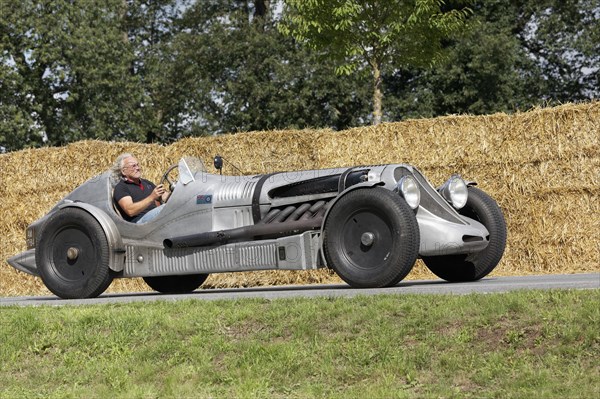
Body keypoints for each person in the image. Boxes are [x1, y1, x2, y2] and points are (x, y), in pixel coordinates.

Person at [111, 153, 168, 223]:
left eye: (137, 165)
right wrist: (152, 197)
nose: (137, 168)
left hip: (154, 217)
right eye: (133, 166)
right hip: (139, 222)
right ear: (123, 171)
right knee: (166, 208)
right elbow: (130, 211)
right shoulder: (121, 187)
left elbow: (165, 196)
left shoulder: (146, 182)